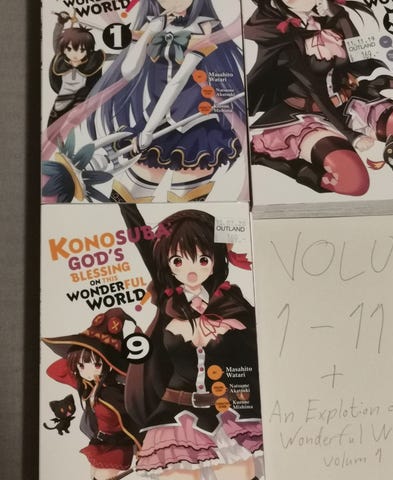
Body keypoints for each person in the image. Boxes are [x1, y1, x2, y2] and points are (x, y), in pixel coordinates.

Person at [120, 204, 263, 479]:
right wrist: (124, 200)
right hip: (174, 415)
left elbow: (258, 352)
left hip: (229, 411)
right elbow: (143, 243)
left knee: (239, 474)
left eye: (203, 259)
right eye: (178, 261)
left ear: (216, 258)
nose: (192, 270)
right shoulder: (169, 303)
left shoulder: (233, 304)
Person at [87, 0, 246, 202]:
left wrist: (148, 131)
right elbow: (129, 71)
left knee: (182, 207)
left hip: (194, 123)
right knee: (124, 200)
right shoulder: (153, 24)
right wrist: (149, 31)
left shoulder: (204, 26)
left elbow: (177, 81)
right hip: (156, 118)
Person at [245, 0, 386, 195]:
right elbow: (314, 88)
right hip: (305, 118)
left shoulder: (327, 20)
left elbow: (360, 64)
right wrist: (350, 135)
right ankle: (268, 159)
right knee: (353, 181)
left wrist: (341, 15)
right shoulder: (281, 37)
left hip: (347, 105)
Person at [42, 308, 142, 480]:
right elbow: (54, 371)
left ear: (107, 364)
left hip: (118, 445)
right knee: (94, 477)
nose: (87, 371)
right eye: (81, 366)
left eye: (96, 364)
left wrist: (141, 448)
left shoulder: (113, 393)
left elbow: (133, 419)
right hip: (98, 443)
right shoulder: (86, 386)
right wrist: (76, 356)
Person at [48, 11, 105, 126]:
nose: (75, 54)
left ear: (88, 51)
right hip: (61, 102)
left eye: (81, 50)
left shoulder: (92, 60)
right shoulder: (61, 60)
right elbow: (56, 41)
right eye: (69, 49)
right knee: (52, 129)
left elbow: (115, 56)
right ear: (64, 49)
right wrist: (60, 22)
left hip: (81, 103)